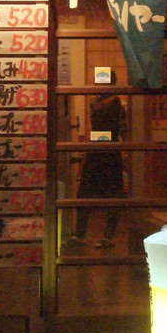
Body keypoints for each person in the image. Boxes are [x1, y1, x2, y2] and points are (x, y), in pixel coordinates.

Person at [70, 91, 126, 248]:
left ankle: (81, 234)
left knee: (87, 192)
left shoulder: (103, 102)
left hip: (98, 150)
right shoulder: (112, 102)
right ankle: (106, 235)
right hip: (109, 150)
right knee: (111, 193)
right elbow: (123, 129)